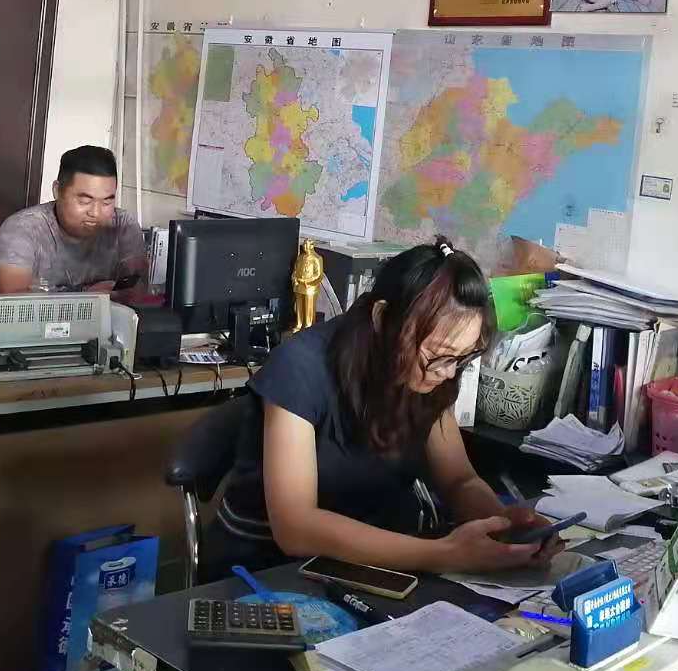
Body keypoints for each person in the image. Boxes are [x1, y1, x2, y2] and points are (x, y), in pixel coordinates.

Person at [206, 240, 561, 578]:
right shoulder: (300, 366)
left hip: (379, 558)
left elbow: (458, 480)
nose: (448, 373)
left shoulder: (431, 373)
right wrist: (444, 554)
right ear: (382, 318)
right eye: (438, 356)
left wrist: (504, 528)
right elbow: (296, 527)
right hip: (269, 568)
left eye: (461, 358)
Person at [0, 145, 146, 296]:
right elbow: (12, 302)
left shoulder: (123, 225)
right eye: (85, 201)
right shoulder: (23, 229)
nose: (95, 213)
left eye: (106, 202)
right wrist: (86, 296)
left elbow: (139, 289)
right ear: (57, 191)